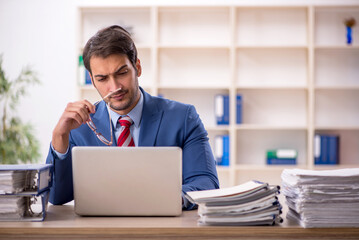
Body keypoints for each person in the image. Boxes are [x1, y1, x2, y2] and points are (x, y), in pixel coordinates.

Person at [46, 25, 219, 210]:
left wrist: (160, 199)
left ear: (137, 67)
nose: (114, 87)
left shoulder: (183, 118)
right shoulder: (78, 127)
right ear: (92, 79)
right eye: (102, 79)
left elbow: (206, 184)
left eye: (121, 73)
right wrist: (59, 136)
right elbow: (56, 196)